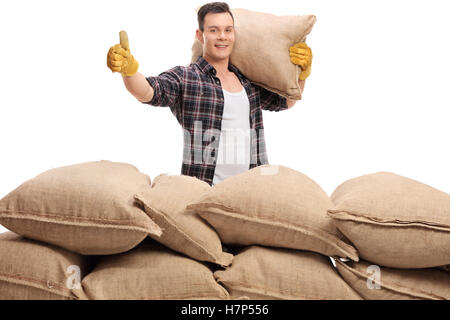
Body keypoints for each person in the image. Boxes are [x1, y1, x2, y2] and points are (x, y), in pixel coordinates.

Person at [106, 2, 312, 186]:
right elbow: (149, 92)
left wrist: (302, 74)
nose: (222, 36)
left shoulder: (248, 82)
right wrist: (129, 71)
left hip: (252, 190)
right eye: (214, 30)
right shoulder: (187, 77)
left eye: (228, 30)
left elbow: (285, 102)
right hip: (205, 190)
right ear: (200, 35)